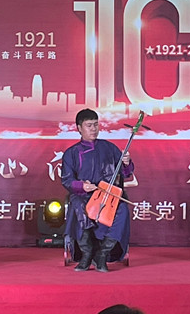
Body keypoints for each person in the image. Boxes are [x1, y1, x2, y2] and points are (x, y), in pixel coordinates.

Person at [61, 108, 134, 272]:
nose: (93, 129)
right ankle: (86, 254)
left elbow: (125, 173)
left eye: (95, 125)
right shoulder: (71, 153)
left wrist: (126, 163)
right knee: (79, 208)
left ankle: (103, 253)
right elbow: (67, 180)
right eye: (89, 125)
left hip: (108, 195)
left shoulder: (110, 148)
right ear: (79, 128)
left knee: (121, 209)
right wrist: (82, 186)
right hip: (83, 195)